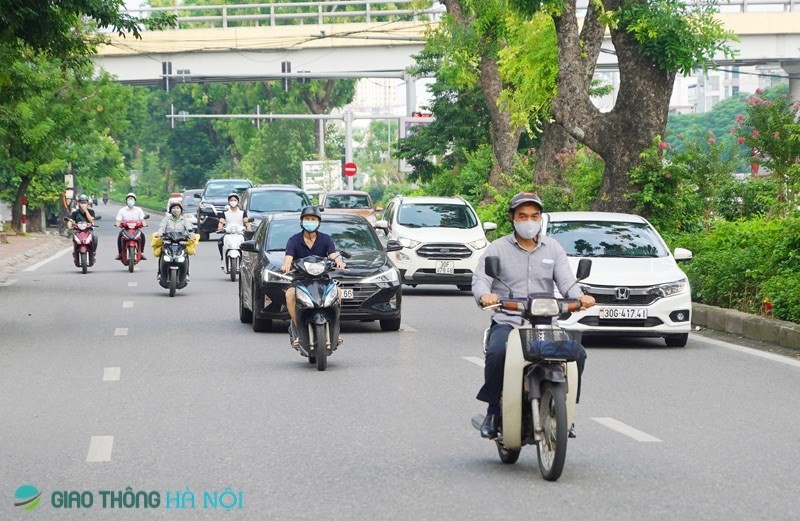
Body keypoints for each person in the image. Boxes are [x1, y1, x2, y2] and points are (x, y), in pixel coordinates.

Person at [471, 192, 596, 440]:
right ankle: (493, 411)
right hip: (509, 321)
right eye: (523, 216)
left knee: (578, 355)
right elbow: (480, 280)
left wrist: (581, 297)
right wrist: (486, 296)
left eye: (534, 216)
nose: (529, 221)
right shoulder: (497, 249)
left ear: (540, 218)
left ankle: (565, 414)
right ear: (512, 218)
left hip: (545, 323)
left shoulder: (553, 248)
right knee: (498, 353)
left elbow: (567, 283)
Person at [280, 206, 346, 349]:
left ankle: (335, 329)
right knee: (290, 295)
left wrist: (339, 261)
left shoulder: (326, 239)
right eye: (307, 219)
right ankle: (297, 330)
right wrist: (286, 265)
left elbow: (333, 254)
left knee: (338, 292)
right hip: (300, 280)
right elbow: (288, 258)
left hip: (323, 279)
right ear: (302, 221)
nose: (310, 221)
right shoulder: (294, 240)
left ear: (318, 222)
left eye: (313, 219)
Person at [155, 201, 195, 281]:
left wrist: (191, 236)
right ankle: (160, 272)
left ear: (181, 210)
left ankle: (187, 273)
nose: (176, 210)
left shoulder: (185, 220)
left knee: (185, 255)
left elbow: (189, 230)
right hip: (168, 242)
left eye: (177, 208)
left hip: (181, 243)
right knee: (162, 253)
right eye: (174, 208)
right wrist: (159, 234)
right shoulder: (166, 219)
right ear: (170, 210)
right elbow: (162, 228)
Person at [216, 193, 251, 267]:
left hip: (239, 234)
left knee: (248, 244)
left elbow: (246, 222)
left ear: (238, 201)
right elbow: (221, 222)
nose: (233, 201)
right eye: (231, 200)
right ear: (228, 201)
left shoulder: (242, 212)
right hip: (228, 234)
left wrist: (249, 228)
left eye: (235, 200)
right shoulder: (225, 213)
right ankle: (223, 258)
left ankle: (247, 261)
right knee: (220, 242)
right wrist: (220, 228)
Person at [114, 192, 147, 260]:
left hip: (136, 229)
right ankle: (120, 253)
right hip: (126, 229)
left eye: (132, 199)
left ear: (135, 201)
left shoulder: (139, 209)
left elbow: (142, 219)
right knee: (120, 236)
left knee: (142, 236)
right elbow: (118, 220)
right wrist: (117, 224)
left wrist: (144, 224)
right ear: (126, 201)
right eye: (129, 199)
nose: (130, 200)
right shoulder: (122, 210)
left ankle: (141, 252)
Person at [68, 194, 98, 265]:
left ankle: (93, 252)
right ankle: (75, 252)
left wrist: (86, 210)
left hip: (88, 230)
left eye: (84, 202)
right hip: (78, 231)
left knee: (95, 237)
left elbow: (91, 220)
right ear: (78, 203)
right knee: (75, 239)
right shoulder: (75, 213)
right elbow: (70, 220)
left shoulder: (91, 211)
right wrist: (69, 226)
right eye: (81, 202)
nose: (83, 204)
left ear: (87, 203)